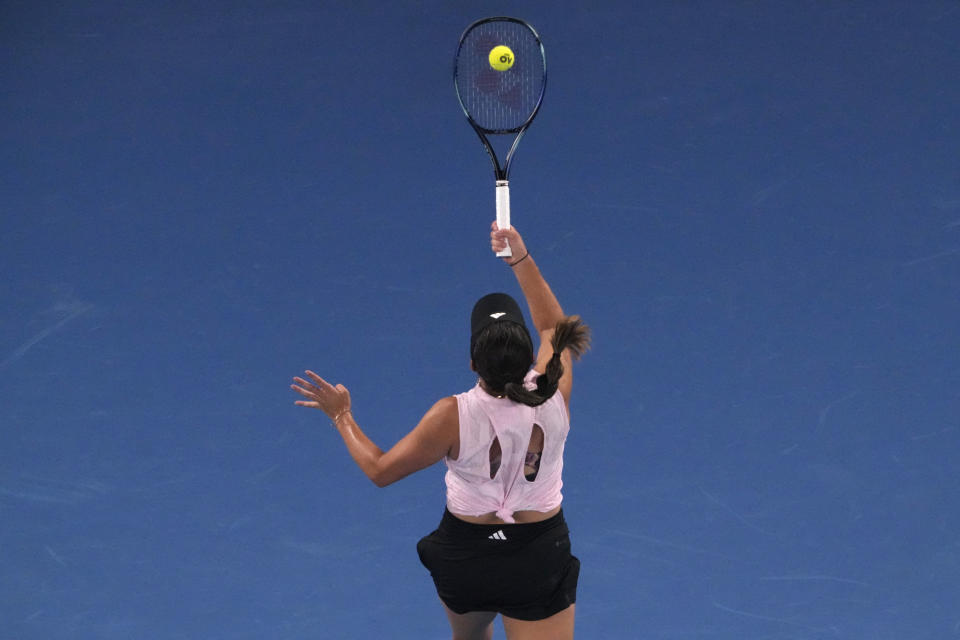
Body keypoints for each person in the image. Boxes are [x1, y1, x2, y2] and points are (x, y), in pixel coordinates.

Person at [291, 222, 590, 640]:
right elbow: (553, 330)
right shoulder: (553, 390)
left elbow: (379, 470)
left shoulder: (450, 416)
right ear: (529, 360)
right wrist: (518, 257)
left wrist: (341, 416)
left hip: (468, 558)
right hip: (539, 558)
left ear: (472, 364)